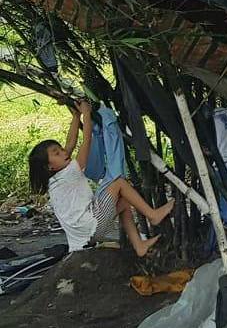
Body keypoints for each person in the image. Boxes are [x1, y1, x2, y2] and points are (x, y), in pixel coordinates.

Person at [28, 100, 173, 257]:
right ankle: (153, 215)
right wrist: (86, 114)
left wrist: (76, 116)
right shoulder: (69, 172)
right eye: (57, 153)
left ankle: (139, 246)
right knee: (118, 182)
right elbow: (86, 142)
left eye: (61, 149)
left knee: (124, 202)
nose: (64, 152)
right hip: (93, 223)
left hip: (84, 237)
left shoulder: (55, 179)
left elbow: (70, 143)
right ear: (49, 166)